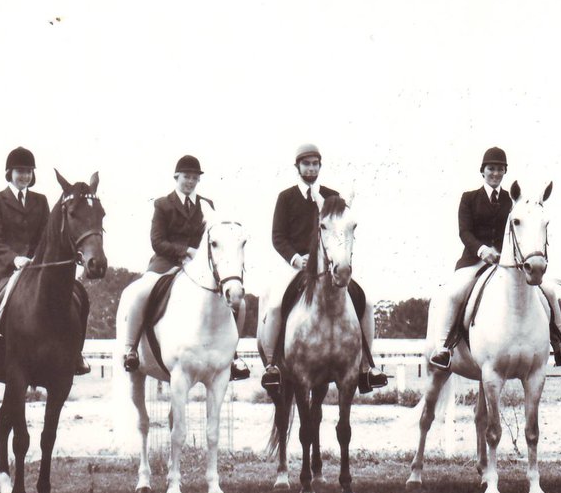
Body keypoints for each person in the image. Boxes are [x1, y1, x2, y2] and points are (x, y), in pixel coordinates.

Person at [429, 147, 561, 370]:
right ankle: (443, 348)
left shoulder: (513, 202)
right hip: (475, 260)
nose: (495, 173)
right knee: (453, 293)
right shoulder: (469, 198)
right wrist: (482, 250)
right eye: (491, 168)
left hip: (507, 263)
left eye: (500, 169)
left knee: (548, 291)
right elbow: (465, 232)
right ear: (483, 171)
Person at [258, 143, 388, 392]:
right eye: (306, 163)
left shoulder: (332, 196)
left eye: (315, 163)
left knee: (367, 302)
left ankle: (366, 366)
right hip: (298, 265)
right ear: (298, 167)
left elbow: (340, 231)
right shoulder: (286, 197)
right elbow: (277, 236)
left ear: (320, 166)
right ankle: (272, 365)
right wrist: (296, 258)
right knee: (275, 304)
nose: (311, 168)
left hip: (329, 265)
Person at [0, 146, 90, 379]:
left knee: (79, 296)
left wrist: (38, 258)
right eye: (20, 171)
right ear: (10, 172)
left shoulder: (40, 201)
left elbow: (46, 236)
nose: (25, 176)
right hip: (6, 268)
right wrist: (14, 258)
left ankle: (76, 354)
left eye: (29, 171)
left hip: (37, 267)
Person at [120, 155, 249, 380]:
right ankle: (131, 349)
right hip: (166, 262)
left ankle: (233, 355)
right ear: (176, 177)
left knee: (239, 302)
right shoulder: (162, 203)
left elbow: (213, 239)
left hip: (199, 267)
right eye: (186, 177)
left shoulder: (206, 205)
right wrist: (185, 251)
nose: (190, 182)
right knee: (140, 292)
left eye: (194, 178)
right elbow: (157, 240)